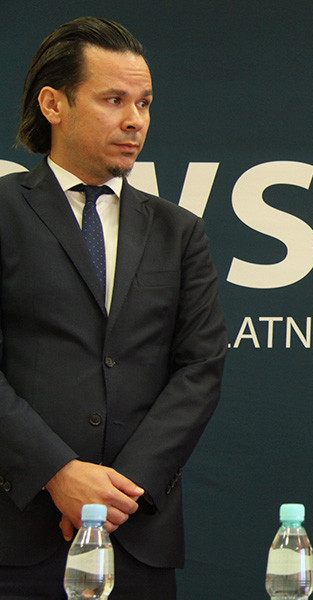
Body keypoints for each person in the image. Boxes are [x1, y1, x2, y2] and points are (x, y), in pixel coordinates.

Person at [0, 17, 227, 598]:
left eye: (144, 103)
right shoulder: (3, 211)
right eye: (113, 100)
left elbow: (200, 368)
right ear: (53, 104)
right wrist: (58, 474)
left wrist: (118, 492)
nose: (135, 120)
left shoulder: (180, 231)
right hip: (16, 535)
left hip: (136, 536)